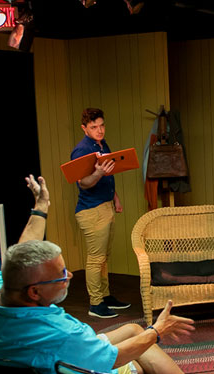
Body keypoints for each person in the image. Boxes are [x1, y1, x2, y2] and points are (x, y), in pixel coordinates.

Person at [0, 176, 214, 374]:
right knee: (142, 354)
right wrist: (157, 331)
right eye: (61, 275)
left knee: (133, 330)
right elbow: (115, 357)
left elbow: (24, 249)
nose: (69, 276)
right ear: (35, 292)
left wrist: (40, 208)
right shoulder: (57, 334)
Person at [71, 107, 128, 319]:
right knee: (96, 259)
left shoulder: (102, 145)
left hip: (106, 205)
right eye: (94, 127)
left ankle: (105, 296)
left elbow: (108, 177)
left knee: (104, 258)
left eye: (102, 125)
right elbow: (84, 183)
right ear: (84, 128)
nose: (100, 130)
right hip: (91, 210)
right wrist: (98, 172)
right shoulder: (82, 150)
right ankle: (95, 304)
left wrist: (115, 198)